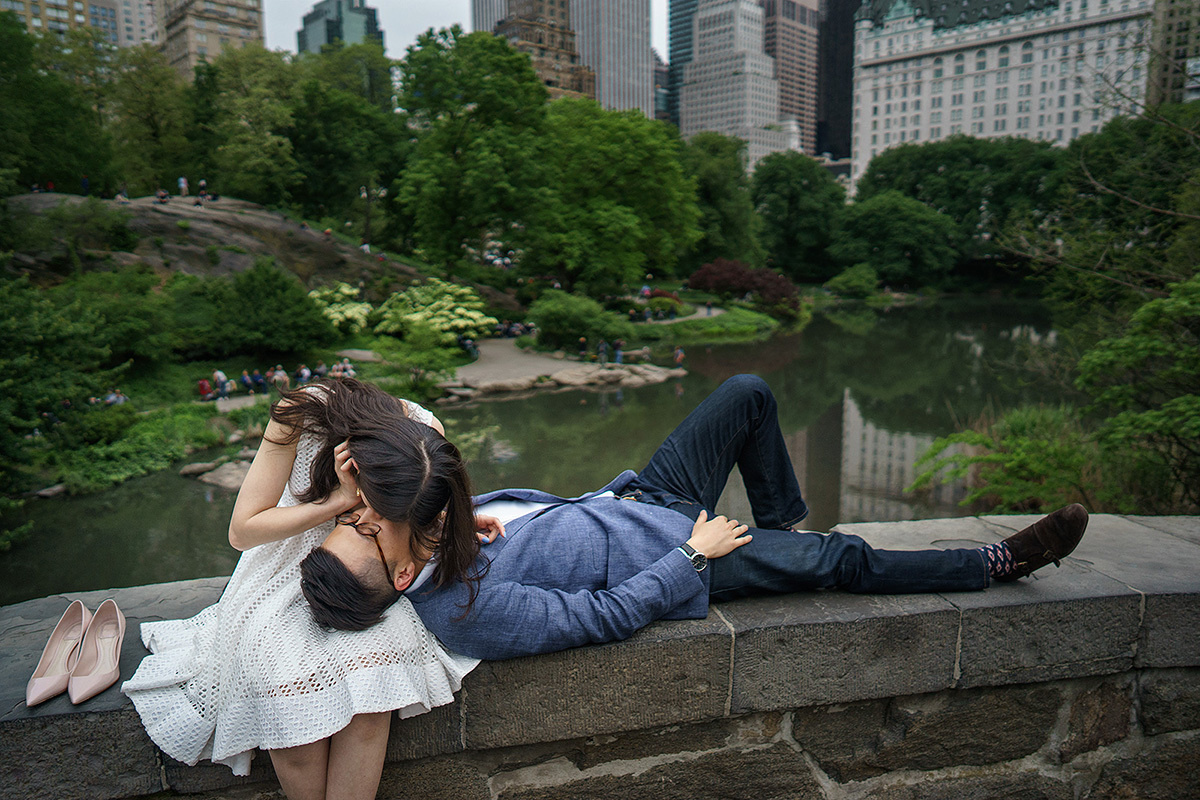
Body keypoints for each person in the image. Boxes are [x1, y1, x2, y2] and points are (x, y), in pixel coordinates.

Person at [303, 375, 1089, 664]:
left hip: (640, 498)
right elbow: (606, 616)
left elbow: (403, 449)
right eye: (365, 528)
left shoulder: (432, 529)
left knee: (746, 394)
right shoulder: (469, 613)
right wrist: (694, 556)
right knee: (840, 563)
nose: (364, 512)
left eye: (356, 515)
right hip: (688, 551)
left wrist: (444, 520)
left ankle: (787, 524)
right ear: (402, 575)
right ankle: (992, 564)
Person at [122, 379, 482, 800]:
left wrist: (458, 522)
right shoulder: (303, 414)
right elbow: (242, 531)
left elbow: (418, 523)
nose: (367, 513)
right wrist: (333, 503)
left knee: (372, 687)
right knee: (284, 682)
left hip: (362, 581)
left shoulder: (425, 440)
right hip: (280, 568)